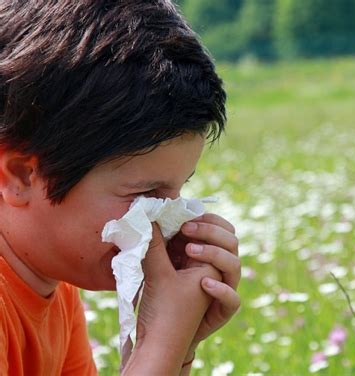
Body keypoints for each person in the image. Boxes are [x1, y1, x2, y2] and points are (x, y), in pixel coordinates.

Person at [0, 0, 241, 375]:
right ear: (19, 176)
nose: (163, 224)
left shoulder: (54, 286)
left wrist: (175, 347)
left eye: (177, 193)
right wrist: (161, 345)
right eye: (145, 196)